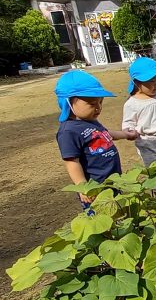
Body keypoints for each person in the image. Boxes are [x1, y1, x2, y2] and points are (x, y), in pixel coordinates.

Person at [54, 70, 138, 207]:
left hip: (112, 181)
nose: (98, 108)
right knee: (102, 221)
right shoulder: (68, 131)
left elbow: (104, 134)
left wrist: (125, 134)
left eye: (100, 102)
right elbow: (71, 161)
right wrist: (83, 186)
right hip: (95, 189)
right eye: (92, 104)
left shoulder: (90, 121)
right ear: (68, 102)